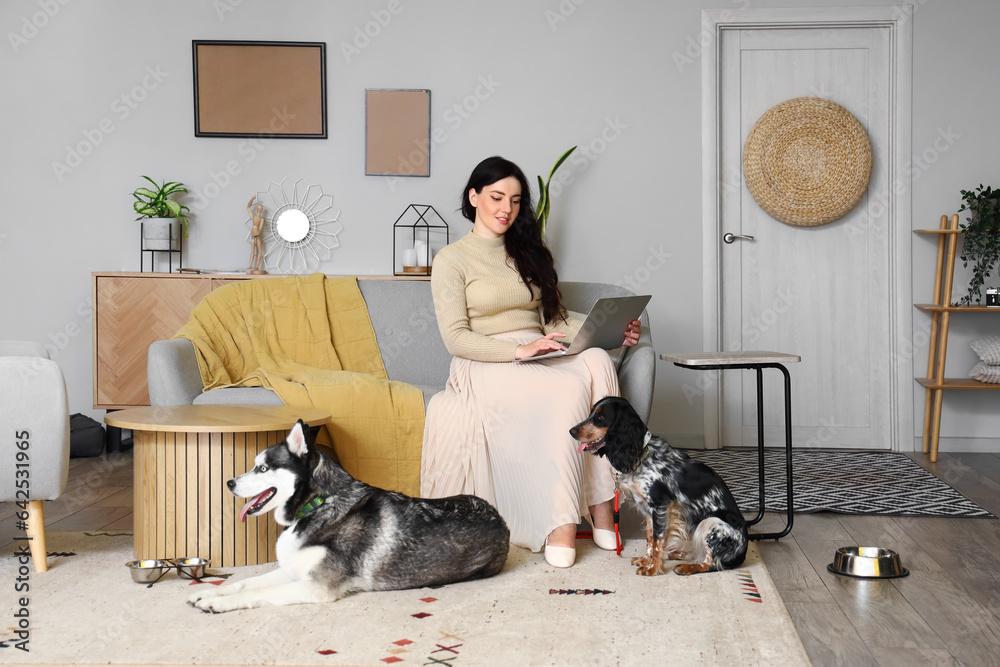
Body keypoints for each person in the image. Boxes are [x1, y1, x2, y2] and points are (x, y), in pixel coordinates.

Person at [420, 156, 641, 568]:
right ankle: (558, 523)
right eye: (496, 197)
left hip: (536, 348)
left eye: (516, 200)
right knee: (569, 387)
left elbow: (553, 319)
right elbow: (456, 337)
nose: (506, 208)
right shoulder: (452, 259)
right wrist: (516, 351)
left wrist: (613, 332)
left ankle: (600, 506)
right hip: (485, 360)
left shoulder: (527, 252)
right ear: (474, 197)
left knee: (597, 361)